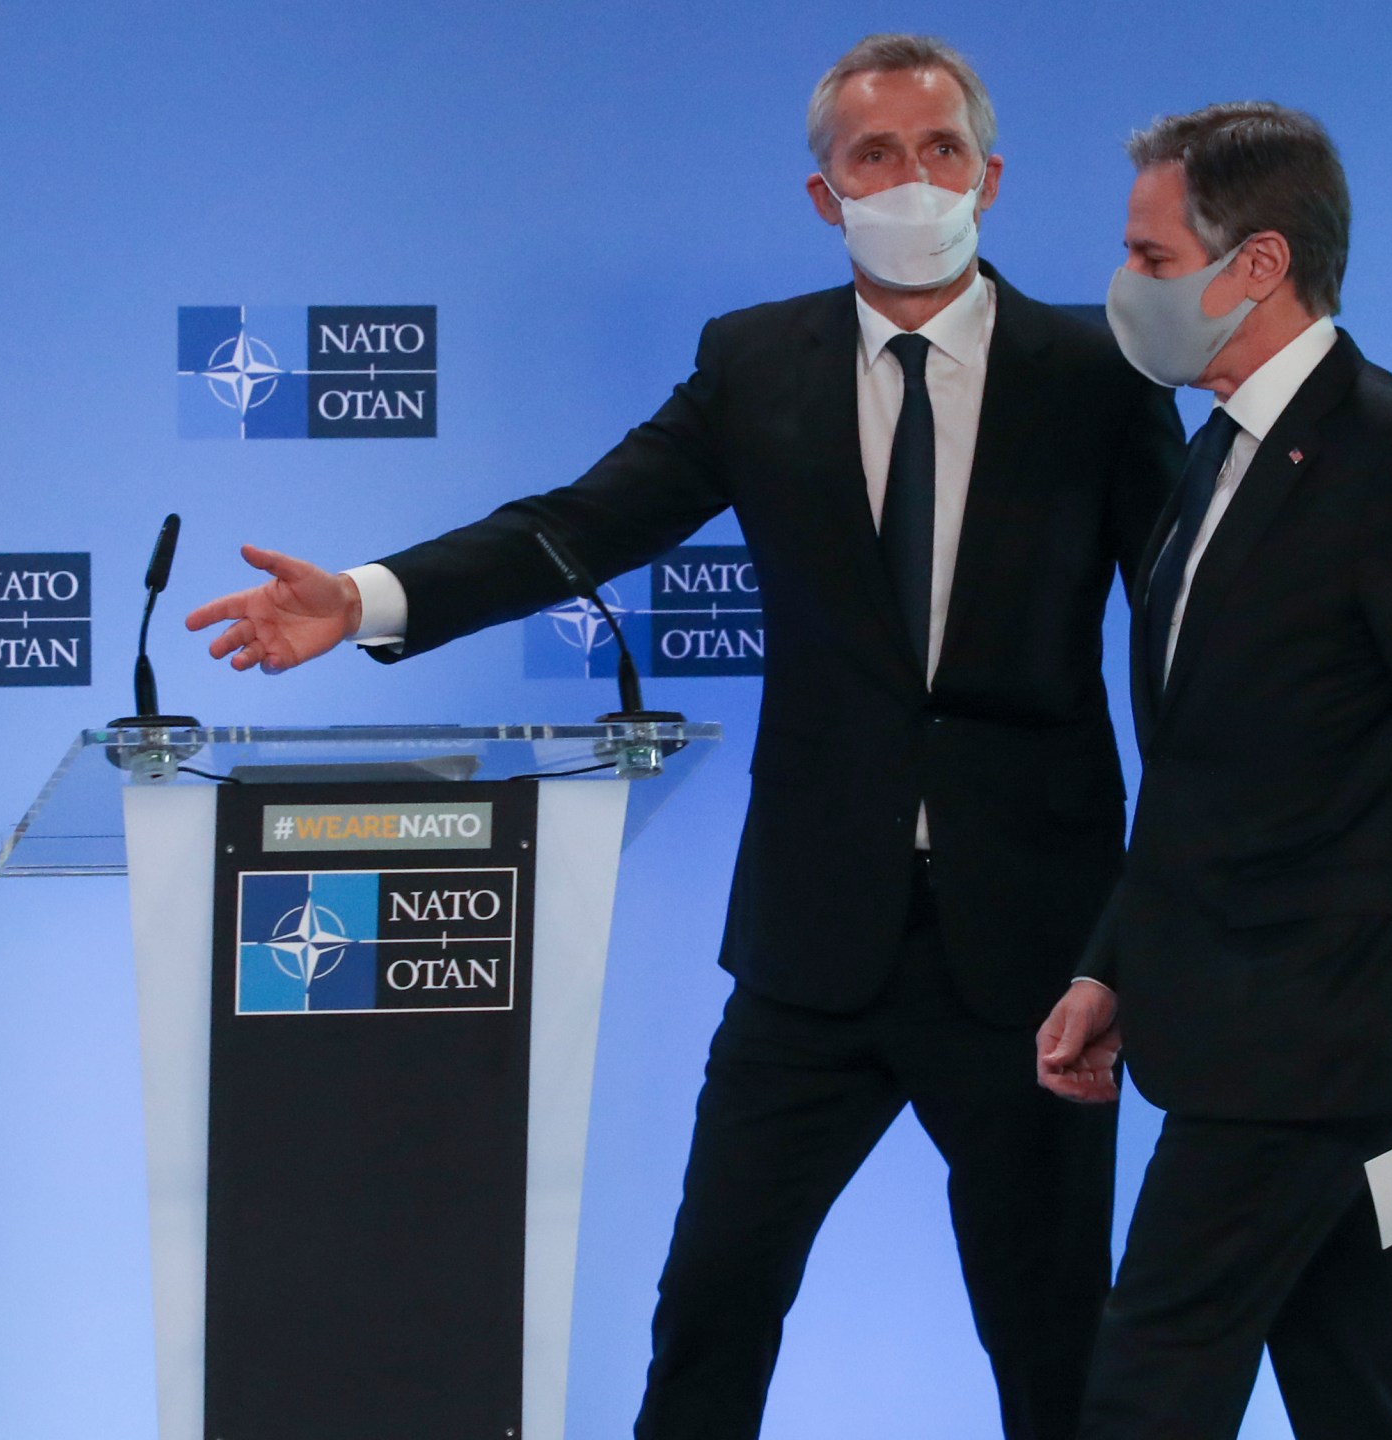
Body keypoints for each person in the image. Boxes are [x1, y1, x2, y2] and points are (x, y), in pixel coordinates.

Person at [189, 35, 1179, 1440]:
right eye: (874, 155)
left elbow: (1190, 641)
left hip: (1035, 959)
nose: (912, 178)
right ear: (824, 196)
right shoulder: (755, 361)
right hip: (809, 953)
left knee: (1058, 1348)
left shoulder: (1099, 373)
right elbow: (581, 526)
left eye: (939, 150)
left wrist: (1139, 937)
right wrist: (363, 600)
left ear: (992, 178)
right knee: (710, 1314)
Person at [1034, 102, 1392, 1439]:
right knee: (1371, 1384)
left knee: (1149, 1384)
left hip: (1304, 1043)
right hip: (1231, 1014)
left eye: (1153, 259)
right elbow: (1211, 772)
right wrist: (1117, 960)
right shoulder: (1211, 451)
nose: (1129, 288)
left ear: (1258, 265)